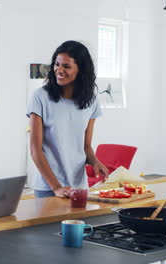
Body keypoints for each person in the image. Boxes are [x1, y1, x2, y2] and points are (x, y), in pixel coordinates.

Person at [27, 40, 108, 198]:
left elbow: (85, 146)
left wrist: (95, 161)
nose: (59, 70)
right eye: (57, 64)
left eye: (66, 66)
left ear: (81, 70)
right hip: (48, 187)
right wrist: (56, 187)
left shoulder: (91, 101)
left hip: (79, 187)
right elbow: (35, 149)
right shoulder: (40, 97)